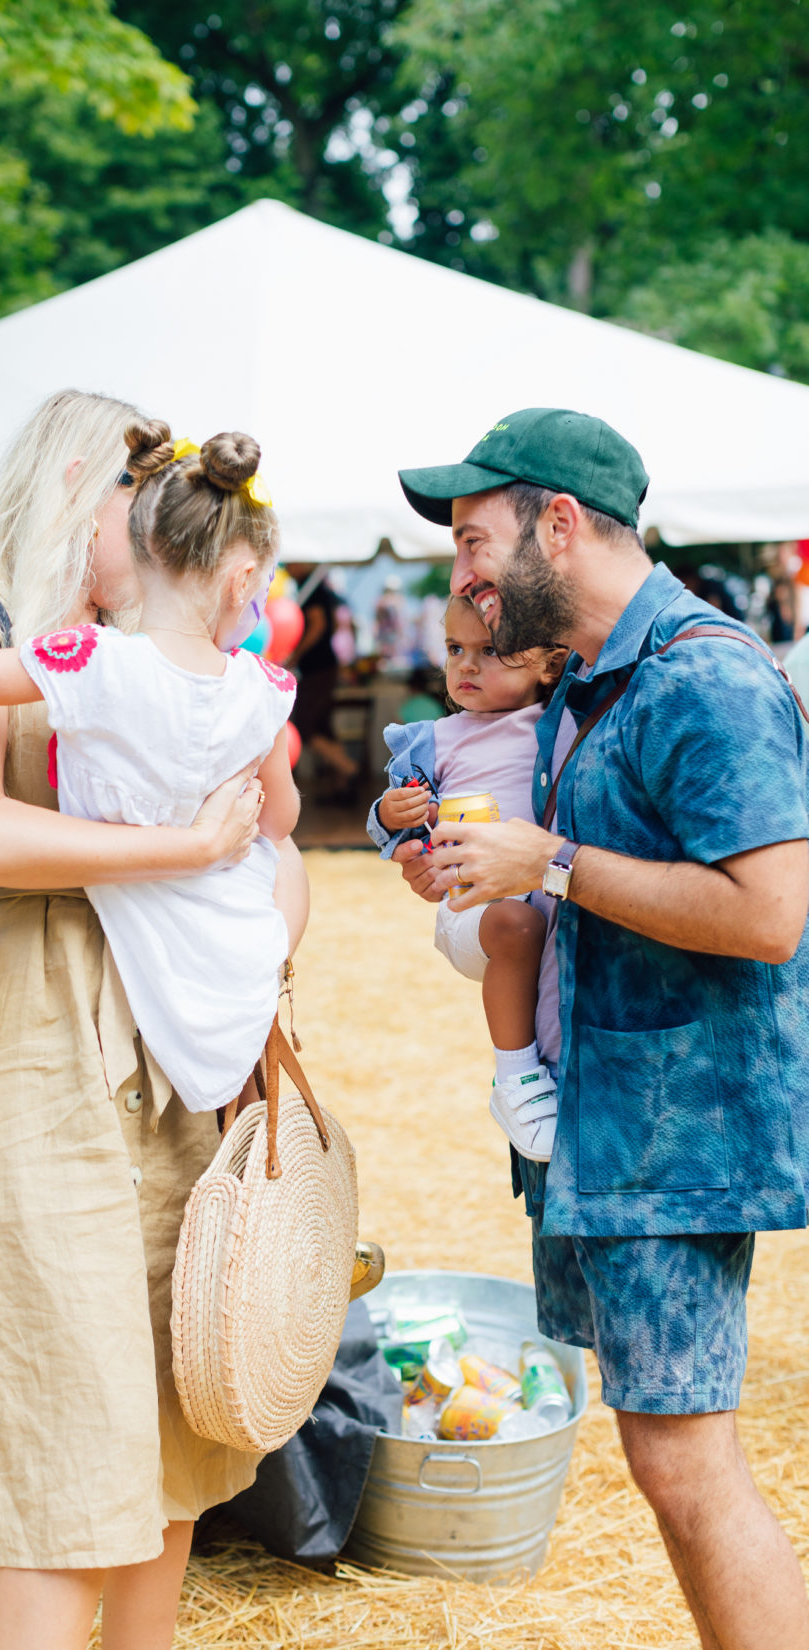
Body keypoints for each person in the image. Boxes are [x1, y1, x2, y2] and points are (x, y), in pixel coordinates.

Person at [0, 388, 299, 1650]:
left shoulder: (156, 652)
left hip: (169, 1060)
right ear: (74, 491)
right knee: (68, 1479)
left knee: (170, 1464)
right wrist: (180, 848)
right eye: (134, 495)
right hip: (31, 1047)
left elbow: (270, 829)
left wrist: (261, 935)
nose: (154, 525)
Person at [393, 406, 809, 1649]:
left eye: (474, 538)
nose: (461, 574)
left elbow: (770, 915)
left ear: (556, 527)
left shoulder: (707, 676)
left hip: (672, 1145)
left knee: (686, 1471)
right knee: (664, 1464)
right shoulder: (583, 682)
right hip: (608, 1135)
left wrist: (552, 863)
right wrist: (477, 872)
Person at [0, 426, 304, 1116]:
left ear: (140, 544)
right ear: (242, 579)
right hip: (222, 961)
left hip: (116, 963)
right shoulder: (265, 687)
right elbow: (278, 824)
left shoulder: (91, 659)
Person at [366, 593, 565, 1161]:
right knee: (517, 925)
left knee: (535, 923)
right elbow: (395, 824)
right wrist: (396, 816)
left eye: (491, 651)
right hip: (472, 912)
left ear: (548, 665)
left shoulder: (561, 725)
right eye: (455, 649)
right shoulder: (435, 740)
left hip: (545, 899)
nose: (466, 666)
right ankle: (516, 1078)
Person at [284, 561, 358, 794]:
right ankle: (342, 778)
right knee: (321, 725)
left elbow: (318, 625)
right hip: (323, 665)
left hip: (318, 667)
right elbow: (332, 625)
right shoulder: (321, 588)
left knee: (306, 726)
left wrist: (296, 655)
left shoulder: (312, 588)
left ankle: (348, 768)